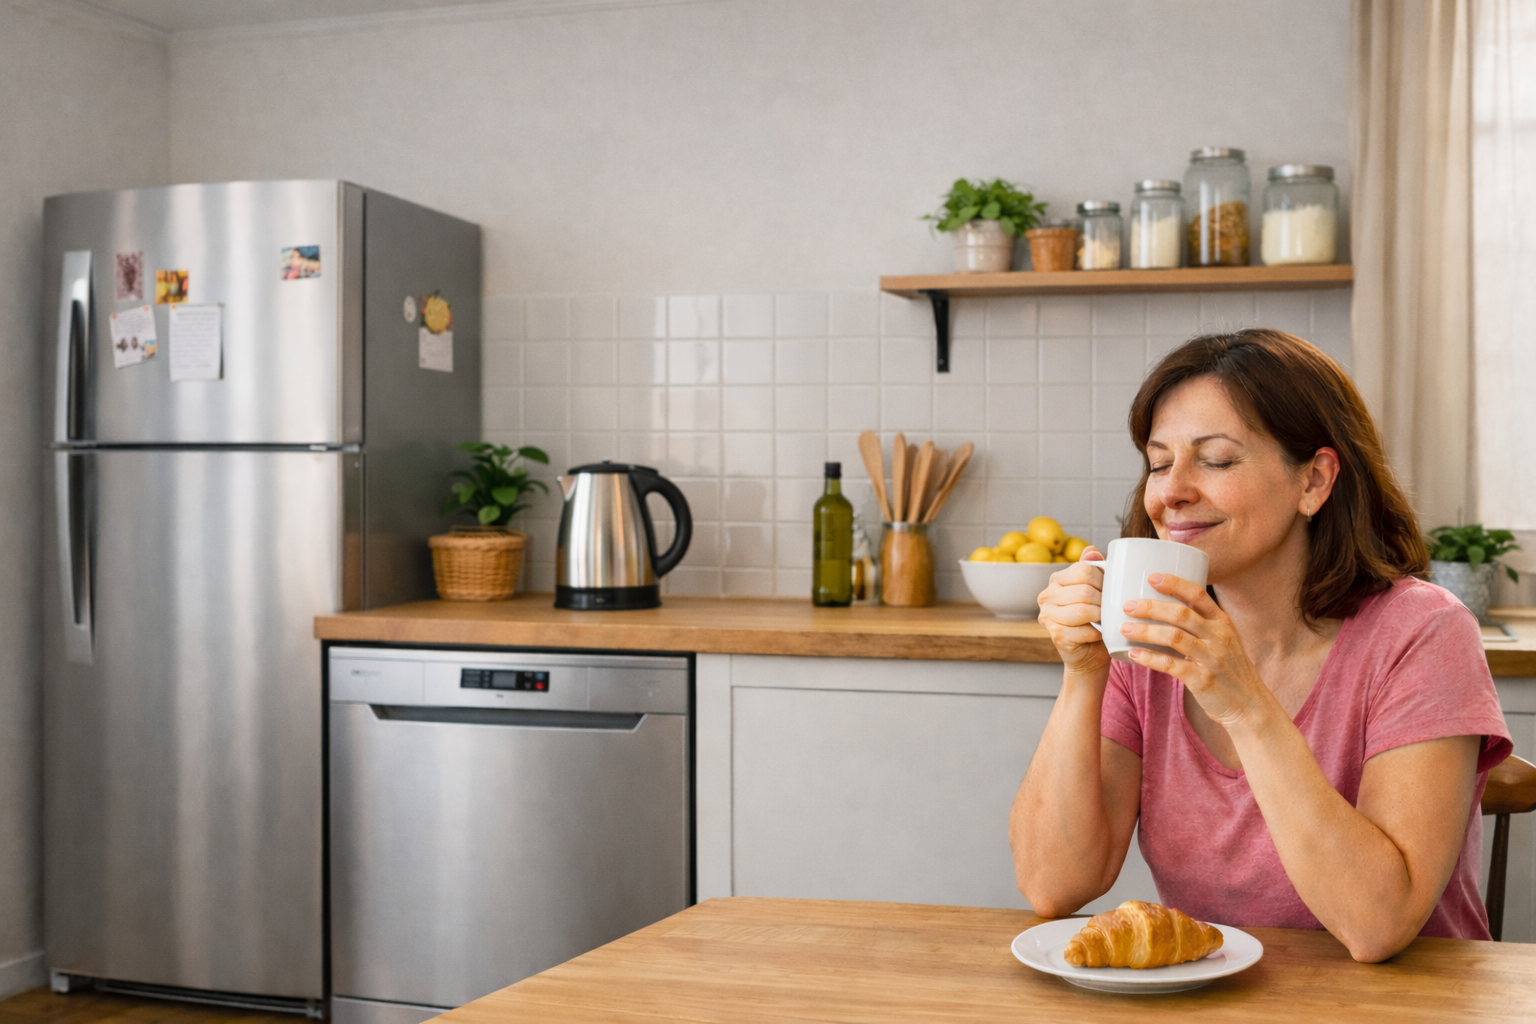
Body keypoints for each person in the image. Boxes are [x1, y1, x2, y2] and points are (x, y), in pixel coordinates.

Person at [1010, 329, 1511, 962]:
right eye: (1159, 463)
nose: (1169, 492)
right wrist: (1083, 673)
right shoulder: (1149, 640)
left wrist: (1244, 704)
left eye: (1215, 459)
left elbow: (1378, 924)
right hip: (1222, 1000)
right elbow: (1054, 885)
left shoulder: (1423, 633)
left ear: (1314, 481)